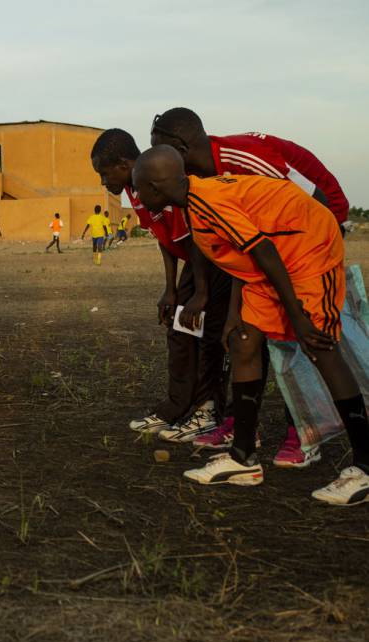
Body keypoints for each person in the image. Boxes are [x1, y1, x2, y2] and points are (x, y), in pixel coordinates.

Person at [133, 145, 369, 505]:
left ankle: (365, 467)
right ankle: (243, 458)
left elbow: (263, 251)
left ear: (154, 186)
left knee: (320, 346)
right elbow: (246, 253)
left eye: (138, 188)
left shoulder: (206, 200)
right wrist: (234, 316)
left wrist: (297, 317)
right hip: (276, 254)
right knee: (244, 341)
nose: (135, 196)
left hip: (307, 249)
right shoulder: (195, 200)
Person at [150, 107, 351, 465]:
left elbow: (304, 207)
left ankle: (304, 429)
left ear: (180, 149)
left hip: (313, 229)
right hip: (267, 246)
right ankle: (243, 435)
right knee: (246, 334)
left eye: (161, 151)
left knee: (304, 335)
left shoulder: (243, 159)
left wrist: (309, 281)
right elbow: (246, 252)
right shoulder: (200, 190)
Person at [91, 128, 228, 441]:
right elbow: (166, 238)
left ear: (124, 164)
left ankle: (209, 410)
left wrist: (201, 293)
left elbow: (194, 239)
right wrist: (170, 289)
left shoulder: (156, 178)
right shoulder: (134, 189)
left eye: (103, 173)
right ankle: (177, 407)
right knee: (180, 330)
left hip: (211, 259)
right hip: (194, 265)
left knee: (205, 333)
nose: (103, 182)